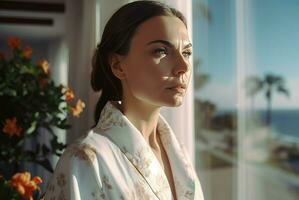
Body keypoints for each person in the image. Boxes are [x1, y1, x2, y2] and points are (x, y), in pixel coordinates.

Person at [45, 1, 204, 199]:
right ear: (118, 65)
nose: (183, 66)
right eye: (161, 51)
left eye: (186, 53)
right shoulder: (84, 159)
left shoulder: (179, 153)